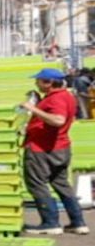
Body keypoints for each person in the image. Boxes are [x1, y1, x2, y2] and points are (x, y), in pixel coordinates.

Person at [21, 69, 88, 235]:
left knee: (36, 184)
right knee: (62, 184)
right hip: (60, 148)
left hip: (43, 149)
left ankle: (50, 222)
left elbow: (58, 120)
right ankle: (77, 222)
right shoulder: (65, 96)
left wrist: (33, 109)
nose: (36, 83)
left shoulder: (56, 99)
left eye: (38, 81)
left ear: (48, 82)